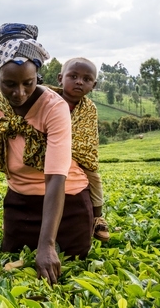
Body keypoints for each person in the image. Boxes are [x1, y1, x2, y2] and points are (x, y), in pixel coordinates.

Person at [0, 23, 93, 285]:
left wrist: (47, 246)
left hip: (67, 205)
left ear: (38, 78)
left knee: (67, 276)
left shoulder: (55, 108)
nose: (19, 93)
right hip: (20, 205)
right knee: (14, 274)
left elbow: (56, 177)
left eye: (28, 83)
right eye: (9, 84)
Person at [55, 57, 110, 243]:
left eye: (86, 79)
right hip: (51, 151)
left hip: (80, 155)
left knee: (94, 178)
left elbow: (88, 138)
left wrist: (75, 152)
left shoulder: (89, 109)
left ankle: (98, 217)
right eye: (73, 76)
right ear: (60, 78)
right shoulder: (48, 100)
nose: (79, 81)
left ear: (93, 85)